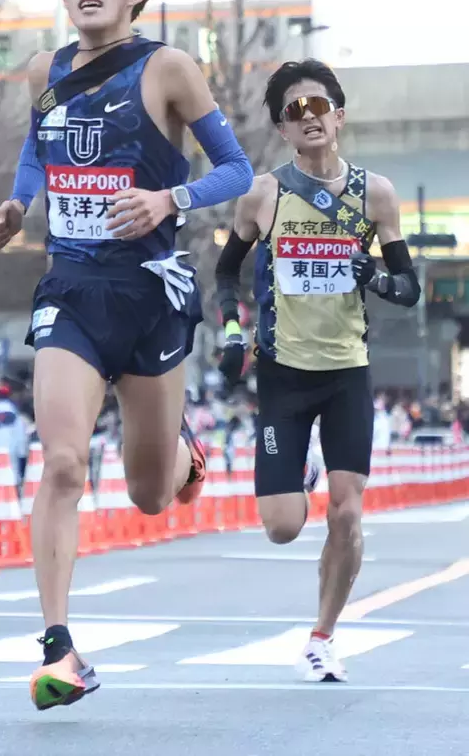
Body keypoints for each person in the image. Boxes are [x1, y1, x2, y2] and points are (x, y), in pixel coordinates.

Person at [0, 0, 253, 711]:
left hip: (151, 295)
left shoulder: (168, 69)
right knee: (61, 462)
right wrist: (16, 206)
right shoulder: (45, 68)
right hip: (71, 289)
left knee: (146, 493)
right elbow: (39, 144)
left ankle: (182, 455)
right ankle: (59, 651)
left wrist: (170, 198)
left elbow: (236, 170)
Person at [215, 58, 420, 682]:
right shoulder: (264, 193)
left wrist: (374, 276)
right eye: (294, 111)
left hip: (346, 373)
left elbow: (409, 288)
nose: (310, 119)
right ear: (283, 128)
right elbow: (226, 271)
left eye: (319, 106)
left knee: (347, 512)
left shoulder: (375, 194)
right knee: (281, 527)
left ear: (338, 115)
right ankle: (299, 465)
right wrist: (231, 332)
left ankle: (323, 636)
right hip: (282, 373)